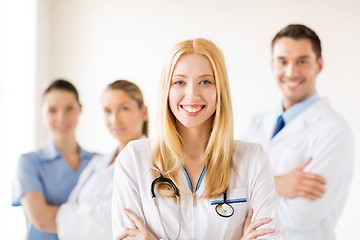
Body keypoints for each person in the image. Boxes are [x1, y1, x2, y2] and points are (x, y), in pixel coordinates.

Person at [112, 38, 284, 240]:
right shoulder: (133, 159)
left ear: (220, 90)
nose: (192, 94)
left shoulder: (253, 159)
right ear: (167, 90)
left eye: (205, 82)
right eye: (179, 82)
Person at [241, 24, 354, 240]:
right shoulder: (256, 122)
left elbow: (300, 217)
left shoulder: (335, 131)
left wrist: (247, 190)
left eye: (302, 61)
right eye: (283, 61)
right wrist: (277, 183)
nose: (291, 72)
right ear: (272, 65)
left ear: (318, 65)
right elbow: (222, 187)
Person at [55, 80, 148, 240]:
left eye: (124, 108)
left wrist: (73, 218)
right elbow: (65, 212)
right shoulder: (97, 163)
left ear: (143, 112)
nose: (114, 120)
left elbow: (113, 224)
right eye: (107, 111)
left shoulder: (151, 164)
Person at [12, 79, 97, 240]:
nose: (61, 118)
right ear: (41, 114)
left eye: (69, 108)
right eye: (52, 110)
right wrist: (97, 219)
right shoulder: (29, 163)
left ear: (80, 109)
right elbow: (41, 219)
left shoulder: (99, 163)